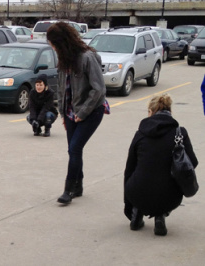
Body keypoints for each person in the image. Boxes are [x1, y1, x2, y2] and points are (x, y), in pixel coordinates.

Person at [46, 22, 107, 205]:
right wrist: (63, 112)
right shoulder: (64, 60)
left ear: (62, 43)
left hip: (92, 110)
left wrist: (83, 112)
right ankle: (78, 185)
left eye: (54, 45)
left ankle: (69, 189)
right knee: (74, 150)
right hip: (70, 111)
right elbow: (62, 88)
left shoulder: (87, 58)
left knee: (74, 148)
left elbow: (99, 89)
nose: (53, 49)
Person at [124, 94, 198, 236]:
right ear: (170, 112)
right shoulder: (180, 133)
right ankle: (160, 217)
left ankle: (136, 215)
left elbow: (129, 168)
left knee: (142, 180)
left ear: (151, 112)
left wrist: (128, 203)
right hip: (169, 197)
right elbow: (192, 163)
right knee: (165, 185)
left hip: (137, 192)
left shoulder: (140, 134)